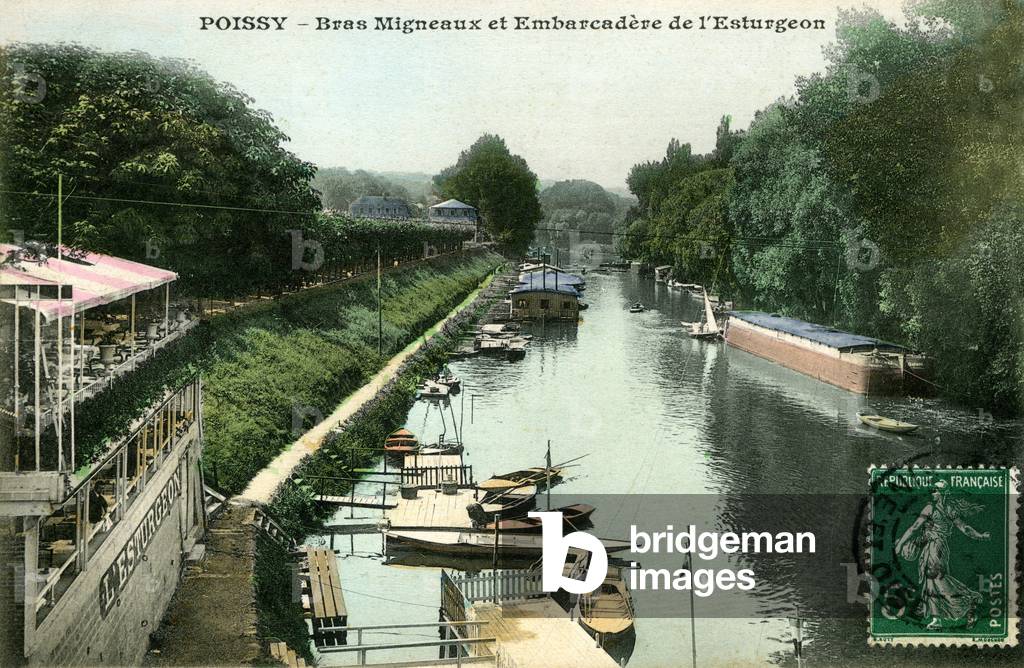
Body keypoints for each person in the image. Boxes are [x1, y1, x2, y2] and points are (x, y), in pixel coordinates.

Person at [894, 480, 989, 629]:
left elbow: (914, 527)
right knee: (934, 580)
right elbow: (964, 528)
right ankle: (938, 614)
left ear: (943, 492)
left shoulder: (931, 508)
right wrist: (980, 536)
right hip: (937, 547)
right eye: (932, 490)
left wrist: (900, 544)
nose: (932, 492)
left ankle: (965, 602)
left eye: (935, 490)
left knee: (934, 580)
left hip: (935, 546)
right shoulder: (948, 508)